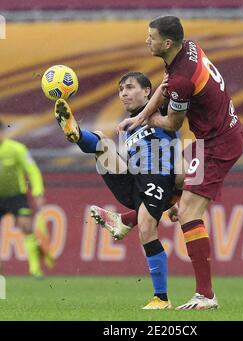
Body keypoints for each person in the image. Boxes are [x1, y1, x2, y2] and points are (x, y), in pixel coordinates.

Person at [118, 16, 243, 310]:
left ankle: (206, 295)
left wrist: (148, 118)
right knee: (173, 178)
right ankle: (129, 220)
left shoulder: (182, 79)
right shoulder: (186, 50)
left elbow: (172, 122)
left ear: (166, 42)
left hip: (218, 143)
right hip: (216, 136)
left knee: (189, 211)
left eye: (151, 37)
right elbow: (163, 88)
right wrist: (139, 117)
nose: (146, 41)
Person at [54, 71, 181, 309]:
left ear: (147, 91)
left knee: (147, 229)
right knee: (102, 141)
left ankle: (161, 299)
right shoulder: (128, 127)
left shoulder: (161, 114)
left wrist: (170, 80)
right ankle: (78, 134)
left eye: (130, 87)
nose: (123, 93)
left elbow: (174, 94)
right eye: (121, 90)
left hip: (158, 176)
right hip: (134, 179)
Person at [0, 120, 53, 277]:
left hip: (16, 196)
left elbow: (32, 170)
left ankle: (34, 269)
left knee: (27, 227)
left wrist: (38, 192)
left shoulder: (17, 149)